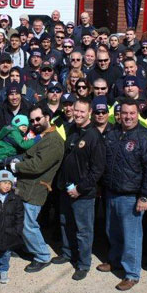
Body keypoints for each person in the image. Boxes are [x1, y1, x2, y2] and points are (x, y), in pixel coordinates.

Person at [98, 98, 147, 291]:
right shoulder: (113, 133)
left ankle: (132, 273)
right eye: (124, 113)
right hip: (111, 192)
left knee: (131, 237)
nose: (128, 117)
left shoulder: (145, 138)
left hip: (132, 197)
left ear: (137, 114)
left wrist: (144, 197)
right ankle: (115, 261)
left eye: (132, 113)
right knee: (113, 232)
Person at [53, 99, 106, 281]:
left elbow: (97, 169)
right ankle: (67, 253)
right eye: (76, 111)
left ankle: (83, 264)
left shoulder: (94, 136)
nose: (78, 114)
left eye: (82, 112)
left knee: (83, 230)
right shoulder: (72, 130)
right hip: (66, 189)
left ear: (89, 112)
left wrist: (80, 188)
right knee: (65, 223)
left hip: (82, 193)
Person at [10, 106, 65, 273]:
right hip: (26, 187)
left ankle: (42, 255)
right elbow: (29, 154)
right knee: (23, 221)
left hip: (36, 189)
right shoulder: (44, 136)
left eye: (38, 119)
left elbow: (37, 165)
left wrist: (16, 166)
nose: (35, 123)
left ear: (47, 117)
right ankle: (29, 247)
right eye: (32, 120)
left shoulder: (54, 140)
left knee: (29, 224)